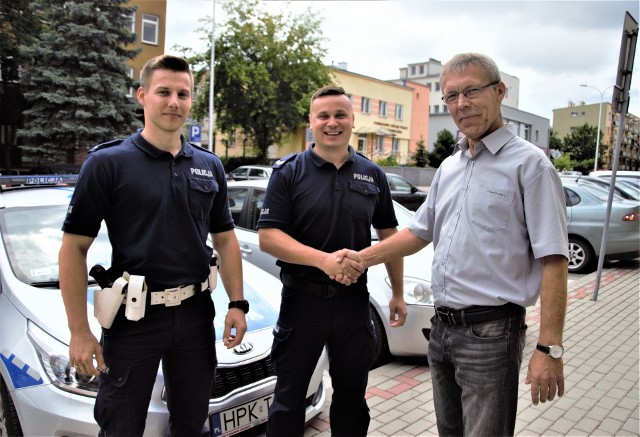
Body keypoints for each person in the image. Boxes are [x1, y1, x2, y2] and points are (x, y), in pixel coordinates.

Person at [350, 53, 569, 436]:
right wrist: (360, 258)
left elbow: (554, 259)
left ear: (499, 92)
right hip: (442, 331)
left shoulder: (531, 166)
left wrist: (549, 348)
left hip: (491, 335)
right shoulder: (450, 167)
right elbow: (418, 234)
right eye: (451, 96)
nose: (461, 104)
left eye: (471, 91)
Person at [58, 54, 248, 436]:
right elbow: (73, 247)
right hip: (133, 319)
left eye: (184, 93)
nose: (174, 102)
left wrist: (237, 303)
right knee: (121, 426)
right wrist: (79, 330)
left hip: (196, 315)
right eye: (164, 92)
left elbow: (225, 240)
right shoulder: (108, 163)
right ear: (143, 96)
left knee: (191, 424)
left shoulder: (209, 165)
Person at [257, 85, 407, 436]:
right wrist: (324, 261)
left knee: (353, 399)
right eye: (323, 115)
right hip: (302, 303)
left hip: (355, 304)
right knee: (289, 399)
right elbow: (268, 237)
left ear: (353, 120)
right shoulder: (288, 172)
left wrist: (397, 292)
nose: (332, 123)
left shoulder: (373, 175)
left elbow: (390, 236)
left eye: (340, 115)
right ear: (311, 122)